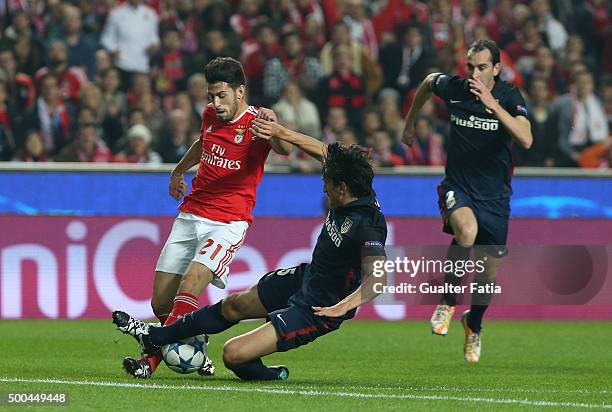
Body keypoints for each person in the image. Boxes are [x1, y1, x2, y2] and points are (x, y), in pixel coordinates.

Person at [113, 137, 387, 381]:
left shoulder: (367, 225)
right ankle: (156, 336)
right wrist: (279, 131)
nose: (323, 189)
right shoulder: (352, 182)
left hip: (318, 307)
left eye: (326, 184)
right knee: (235, 305)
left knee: (233, 354)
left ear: (341, 188)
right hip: (306, 277)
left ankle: (271, 374)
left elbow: (378, 278)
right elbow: (320, 150)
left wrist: (341, 307)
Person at [119, 57, 292, 379]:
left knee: (193, 281)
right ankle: (197, 347)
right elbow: (204, 143)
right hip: (191, 213)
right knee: (161, 304)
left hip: (228, 221)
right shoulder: (211, 115)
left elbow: (284, 149)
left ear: (240, 91)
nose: (215, 102)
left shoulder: (257, 123)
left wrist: (276, 125)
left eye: (222, 95)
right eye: (211, 96)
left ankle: (150, 358)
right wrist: (179, 169)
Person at [401, 39, 532, 364]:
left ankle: (473, 324)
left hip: (496, 197)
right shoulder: (456, 88)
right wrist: (410, 121)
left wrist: (493, 104)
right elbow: (430, 81)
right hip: (458, 186)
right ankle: (447, 301)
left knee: (488, 275)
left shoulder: (510, 96)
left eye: (482, 67)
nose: (474, 73)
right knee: (466, 233)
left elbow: (526, 139)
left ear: (497, 69)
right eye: (471, 67)